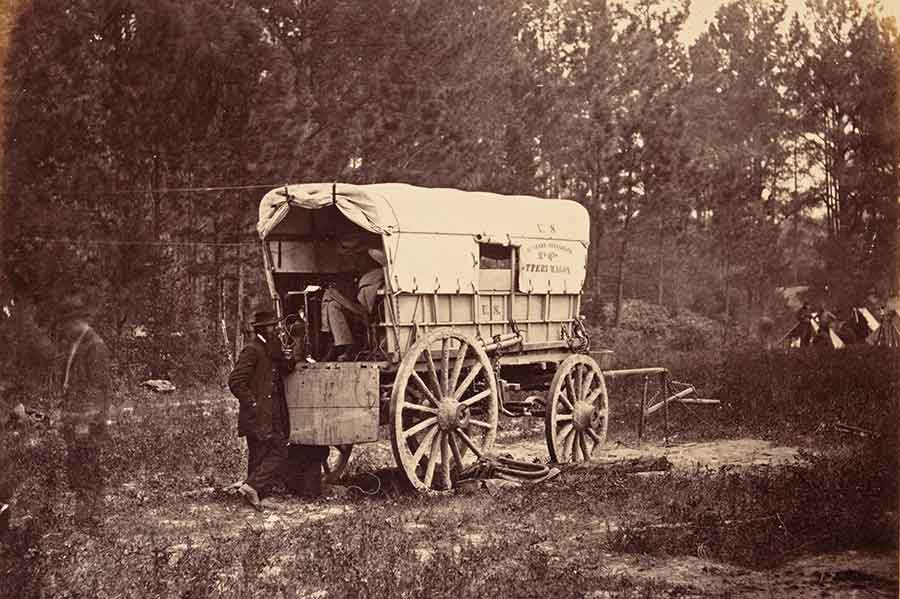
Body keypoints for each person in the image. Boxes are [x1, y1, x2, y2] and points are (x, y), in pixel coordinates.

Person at [52, 296, 112, 528]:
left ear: (77, 321)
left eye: (66, 323)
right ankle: (86, 516)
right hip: (76, 417)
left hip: (88, 421)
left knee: (87, 467)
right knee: (77, 467)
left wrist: (85, 422)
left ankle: (91, 518)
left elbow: (97, 388)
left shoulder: (95, 345)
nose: (64, 328)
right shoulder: (78, 343)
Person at [227, 308, 291, 510]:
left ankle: (255, 494)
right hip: (257, 413)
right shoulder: (252, 350)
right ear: (264, 329)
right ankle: (252, 487)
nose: (277, 329)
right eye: (273, 326)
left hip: (270, 412)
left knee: (261, 453)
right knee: (277, 451)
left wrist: (288, 357)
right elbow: (235, 381)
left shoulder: (270, 349)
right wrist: (252, 402)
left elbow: (285, 368)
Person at [320, 248, 386, 360]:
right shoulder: (361, 275)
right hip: (358, 310)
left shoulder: (375, 274)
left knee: (330, 296)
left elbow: (363, 304)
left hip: (366, 312)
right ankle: (343, 345)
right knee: (331, 303)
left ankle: (339, 343)